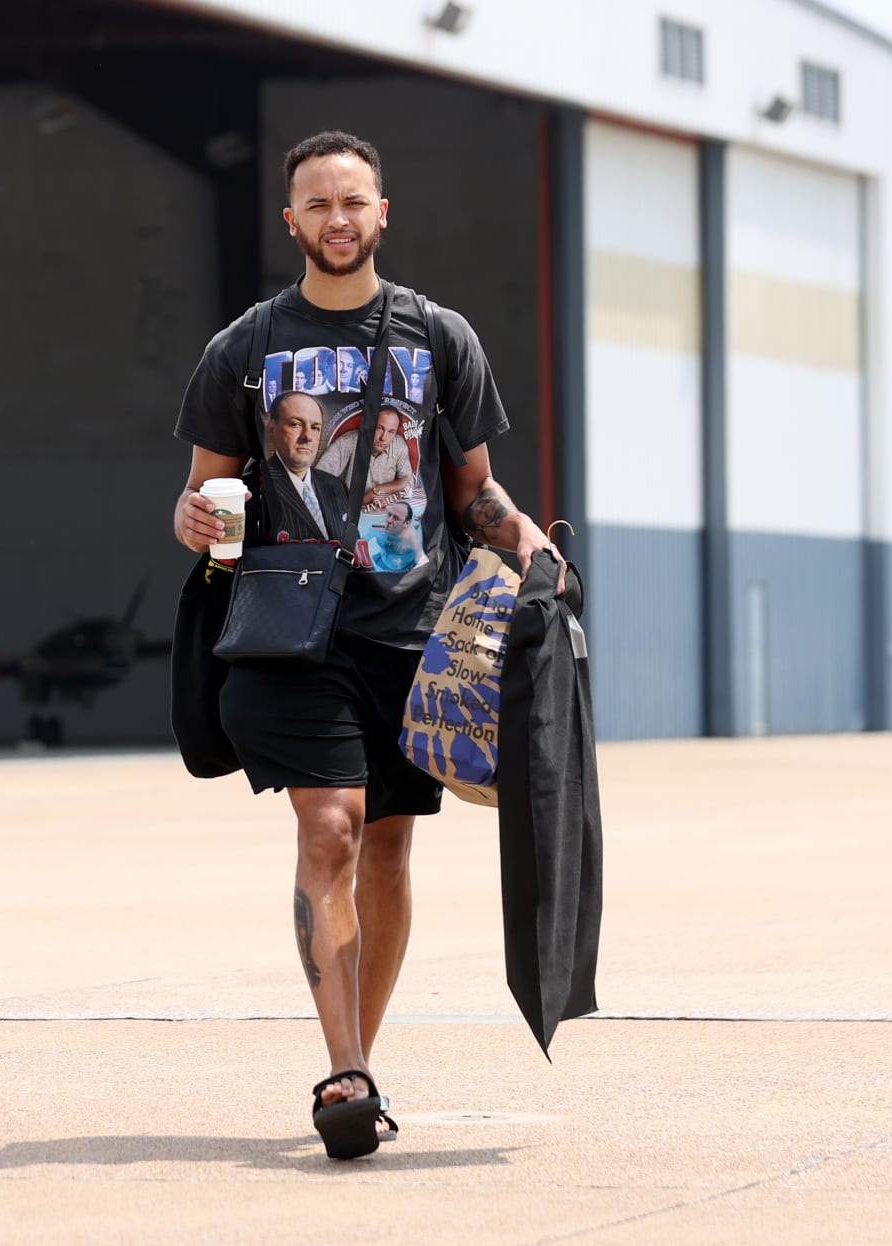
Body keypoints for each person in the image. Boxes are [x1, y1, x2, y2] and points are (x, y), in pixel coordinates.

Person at [171, 131, 561, 1160]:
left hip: (415, 638)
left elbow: (473, 492)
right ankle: (342, 1069)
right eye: (317, 203)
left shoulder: (440, 337)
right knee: (332, 831)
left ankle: (361, 1063)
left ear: (382, 212)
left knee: (388, 848)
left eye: (353, 201)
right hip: (291, 639)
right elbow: (202, 494)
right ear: (290, 221)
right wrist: (194, 520)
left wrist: (528, 545)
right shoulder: (244, 348)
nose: (336, 218)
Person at [262, 391, 356, 543]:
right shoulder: (255, 487)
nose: (308, 437)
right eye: (296, 424)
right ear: (272, 428)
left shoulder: (336, 486)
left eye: (315, 428)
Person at [368, 499, 425, 572]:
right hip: (382, 563)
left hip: (406, 568)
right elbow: (360, 541)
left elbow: (421, 558)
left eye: (396, 518)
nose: (388, 520)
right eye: (389, 515)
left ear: (406, 523)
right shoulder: (378, 530)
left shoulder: (410, 537)